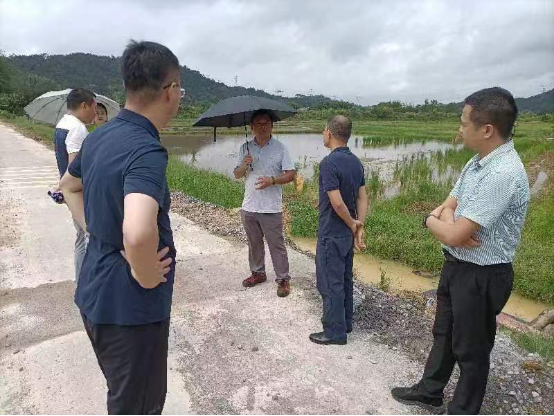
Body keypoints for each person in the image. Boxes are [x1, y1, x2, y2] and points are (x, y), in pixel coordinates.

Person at [60, 40, 184, 415]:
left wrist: (93, 230)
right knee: (138, 406)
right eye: (180, 88)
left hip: (95, 293)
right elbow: (138, 231)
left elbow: (68, 185)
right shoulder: (146, 150)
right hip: (130, 309)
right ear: (169, 91)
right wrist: (144, 273)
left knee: (123, 395)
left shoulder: (99, 137)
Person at [391, 87, 530, 415]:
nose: (459, 129)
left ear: (487, 130)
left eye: (463, 123)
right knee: (445, 333)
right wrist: (451, 225)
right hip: (457, 264)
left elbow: (447, 225)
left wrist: (430, 221)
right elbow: (450, 204)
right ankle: (430, 391)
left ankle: (463, 410)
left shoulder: (503, 173)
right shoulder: (478, 162)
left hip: (483, 274)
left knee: (472, 349)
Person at [309, 115, 368, 346]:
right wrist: (358, 225)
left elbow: (337, 203)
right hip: (345, 233)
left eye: (324, 131)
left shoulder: (328, 163)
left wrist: (353, 224)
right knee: (344, 278)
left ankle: (334, 332)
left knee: (329, 282)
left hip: (331, 233)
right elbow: (362, 196)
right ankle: (345, 323)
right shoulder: (355, 162)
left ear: (329, 133)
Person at [234, 109, 296, 298]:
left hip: (271, 207)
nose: (262, 126)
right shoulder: (245, 148)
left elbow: (291, 174)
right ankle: (258, 273)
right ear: (251, 127)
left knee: (276, 244)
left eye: (266, 123)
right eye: (258, 124)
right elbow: (237, 174)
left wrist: (273, 180)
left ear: (271, 126)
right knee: (254, 244)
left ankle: (283, 279)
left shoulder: (281, 148)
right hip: (249, 205)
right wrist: (244, 165)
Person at [54, 88, 97, 282]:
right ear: (84, 105)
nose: (95, 113)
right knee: (90, 237)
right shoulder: (78, 128)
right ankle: (87, 283)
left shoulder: (62, 124)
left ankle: (81, 281)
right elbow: (74, 167)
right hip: (81, 193)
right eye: (94, 108)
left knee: (81, 238)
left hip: (71, 192)